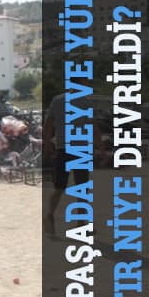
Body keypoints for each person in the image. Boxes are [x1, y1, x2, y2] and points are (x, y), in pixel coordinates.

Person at [42, 93, 106, 236]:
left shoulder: (57, 100)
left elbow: (48, 125)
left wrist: (47, 144)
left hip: (62, 149)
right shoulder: (85, 102)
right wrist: (101, 149)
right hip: (80, 149)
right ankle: (80, 224)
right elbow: (94, 128)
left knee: (59, 187)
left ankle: (50, 216)